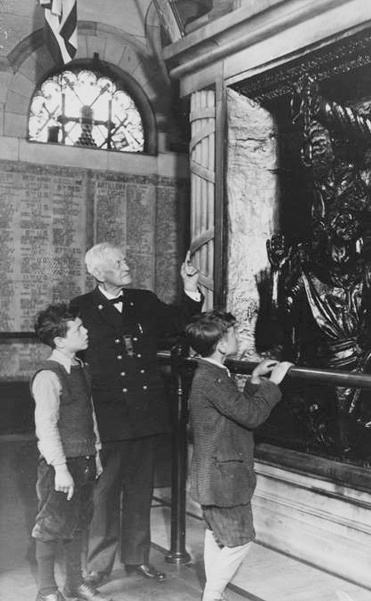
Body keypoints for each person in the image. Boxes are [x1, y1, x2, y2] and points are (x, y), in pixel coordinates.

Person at [70, 243, 203, 586]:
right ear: (98, 273)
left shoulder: (143, 300)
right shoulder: (81, 308)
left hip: (146, 413)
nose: (127, 265)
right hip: (110, 416)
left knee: (141, 489)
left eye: (126, 259)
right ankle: (99, 565)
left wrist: (189, 288)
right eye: (118, 262)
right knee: (105, 493)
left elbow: (180, 324)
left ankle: (137, 557)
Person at [184, 310, 293, 601]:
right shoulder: (212, 379)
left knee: (217, 536)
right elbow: (252, 415)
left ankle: (214, 594)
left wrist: (255, 379)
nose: (237, 336)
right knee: (241, 541)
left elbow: (234, 410)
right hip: (223, 477)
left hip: (217, 473)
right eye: (232, 333)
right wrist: (274, 384)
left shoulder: (214, 373)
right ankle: (212, 594)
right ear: (221, 345)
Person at [30, 304, 110, 601]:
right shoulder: (48, 376)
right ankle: (47, 591)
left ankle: (74, 583)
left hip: (86, 459)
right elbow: (46, 428)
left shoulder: (80, 368)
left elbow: (89, 417)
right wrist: (61, 468)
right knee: (51, 527)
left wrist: (96, 453)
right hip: (59, 466)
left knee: (79, 524)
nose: (86, 331)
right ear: (60, 340)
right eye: (78, 329)